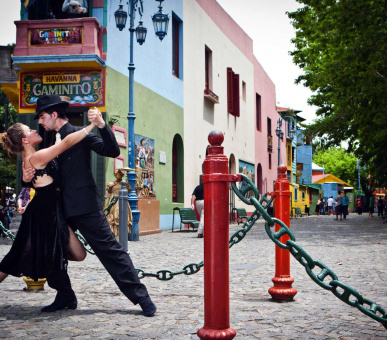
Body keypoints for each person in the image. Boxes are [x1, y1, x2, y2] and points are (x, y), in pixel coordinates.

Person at [23, 94, 155, 316]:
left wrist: (102, 126)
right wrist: (26, 178)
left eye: (43, 117)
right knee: (51, 250)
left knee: (109, 250)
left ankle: (141, 297)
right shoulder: (45, 139)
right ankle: (65, 295)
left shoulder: (81, 133)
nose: (40, 122)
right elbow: (36, 171)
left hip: (84, 205)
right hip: (56, 206)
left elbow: (111, 151)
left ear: (54, 115)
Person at [0, 119, 92, 287]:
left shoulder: (33, 155)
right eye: (30, 130)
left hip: (49, 211)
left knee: (18, 256)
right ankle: (61, 287)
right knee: (16, 257)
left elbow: (52, 155)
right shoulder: (35, 156)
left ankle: (56, 277)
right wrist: (92, 127)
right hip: (44, 213)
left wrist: (24, 193)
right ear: (24, 140)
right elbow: (67, 143)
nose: (35, 130)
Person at [105, 169, 132, 240]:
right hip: (113, 200)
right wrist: (110, 186)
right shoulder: (112, 183)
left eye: (119, 174)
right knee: (112, 217)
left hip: (122, 201)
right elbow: (109, 190)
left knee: (122, 216)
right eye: (117, 174)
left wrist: (127, 184)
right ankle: (112, 235)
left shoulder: (124, 183)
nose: (118, 176)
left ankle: (122, 236)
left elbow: (129, 190)